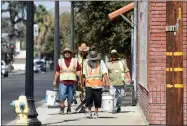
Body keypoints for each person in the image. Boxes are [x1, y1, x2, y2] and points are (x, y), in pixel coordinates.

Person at [53, 47, 82, 114]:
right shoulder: (60, 61)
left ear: (71, 54)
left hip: (72, 82)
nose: (67, 53)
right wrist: (54, 80)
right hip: (63, 82)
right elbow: (57, 71)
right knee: (62, 95)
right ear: (63, 54)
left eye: (69, 52)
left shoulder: (75, 61)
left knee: (70, 97)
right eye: (66, 52)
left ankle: (69, 108)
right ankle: (62, 108)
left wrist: (80, 80)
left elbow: (78, 71)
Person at [83, 50, 109, 118]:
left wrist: (107, 82)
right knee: (89, 99)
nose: (93, 60)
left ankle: (96, 112)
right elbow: (83, 74)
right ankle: (89, 112)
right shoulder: (86, 63)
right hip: (88, 84)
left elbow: (104, 72)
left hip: (98, 85)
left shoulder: (101, 62)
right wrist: (82, 84)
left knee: (97, 99)